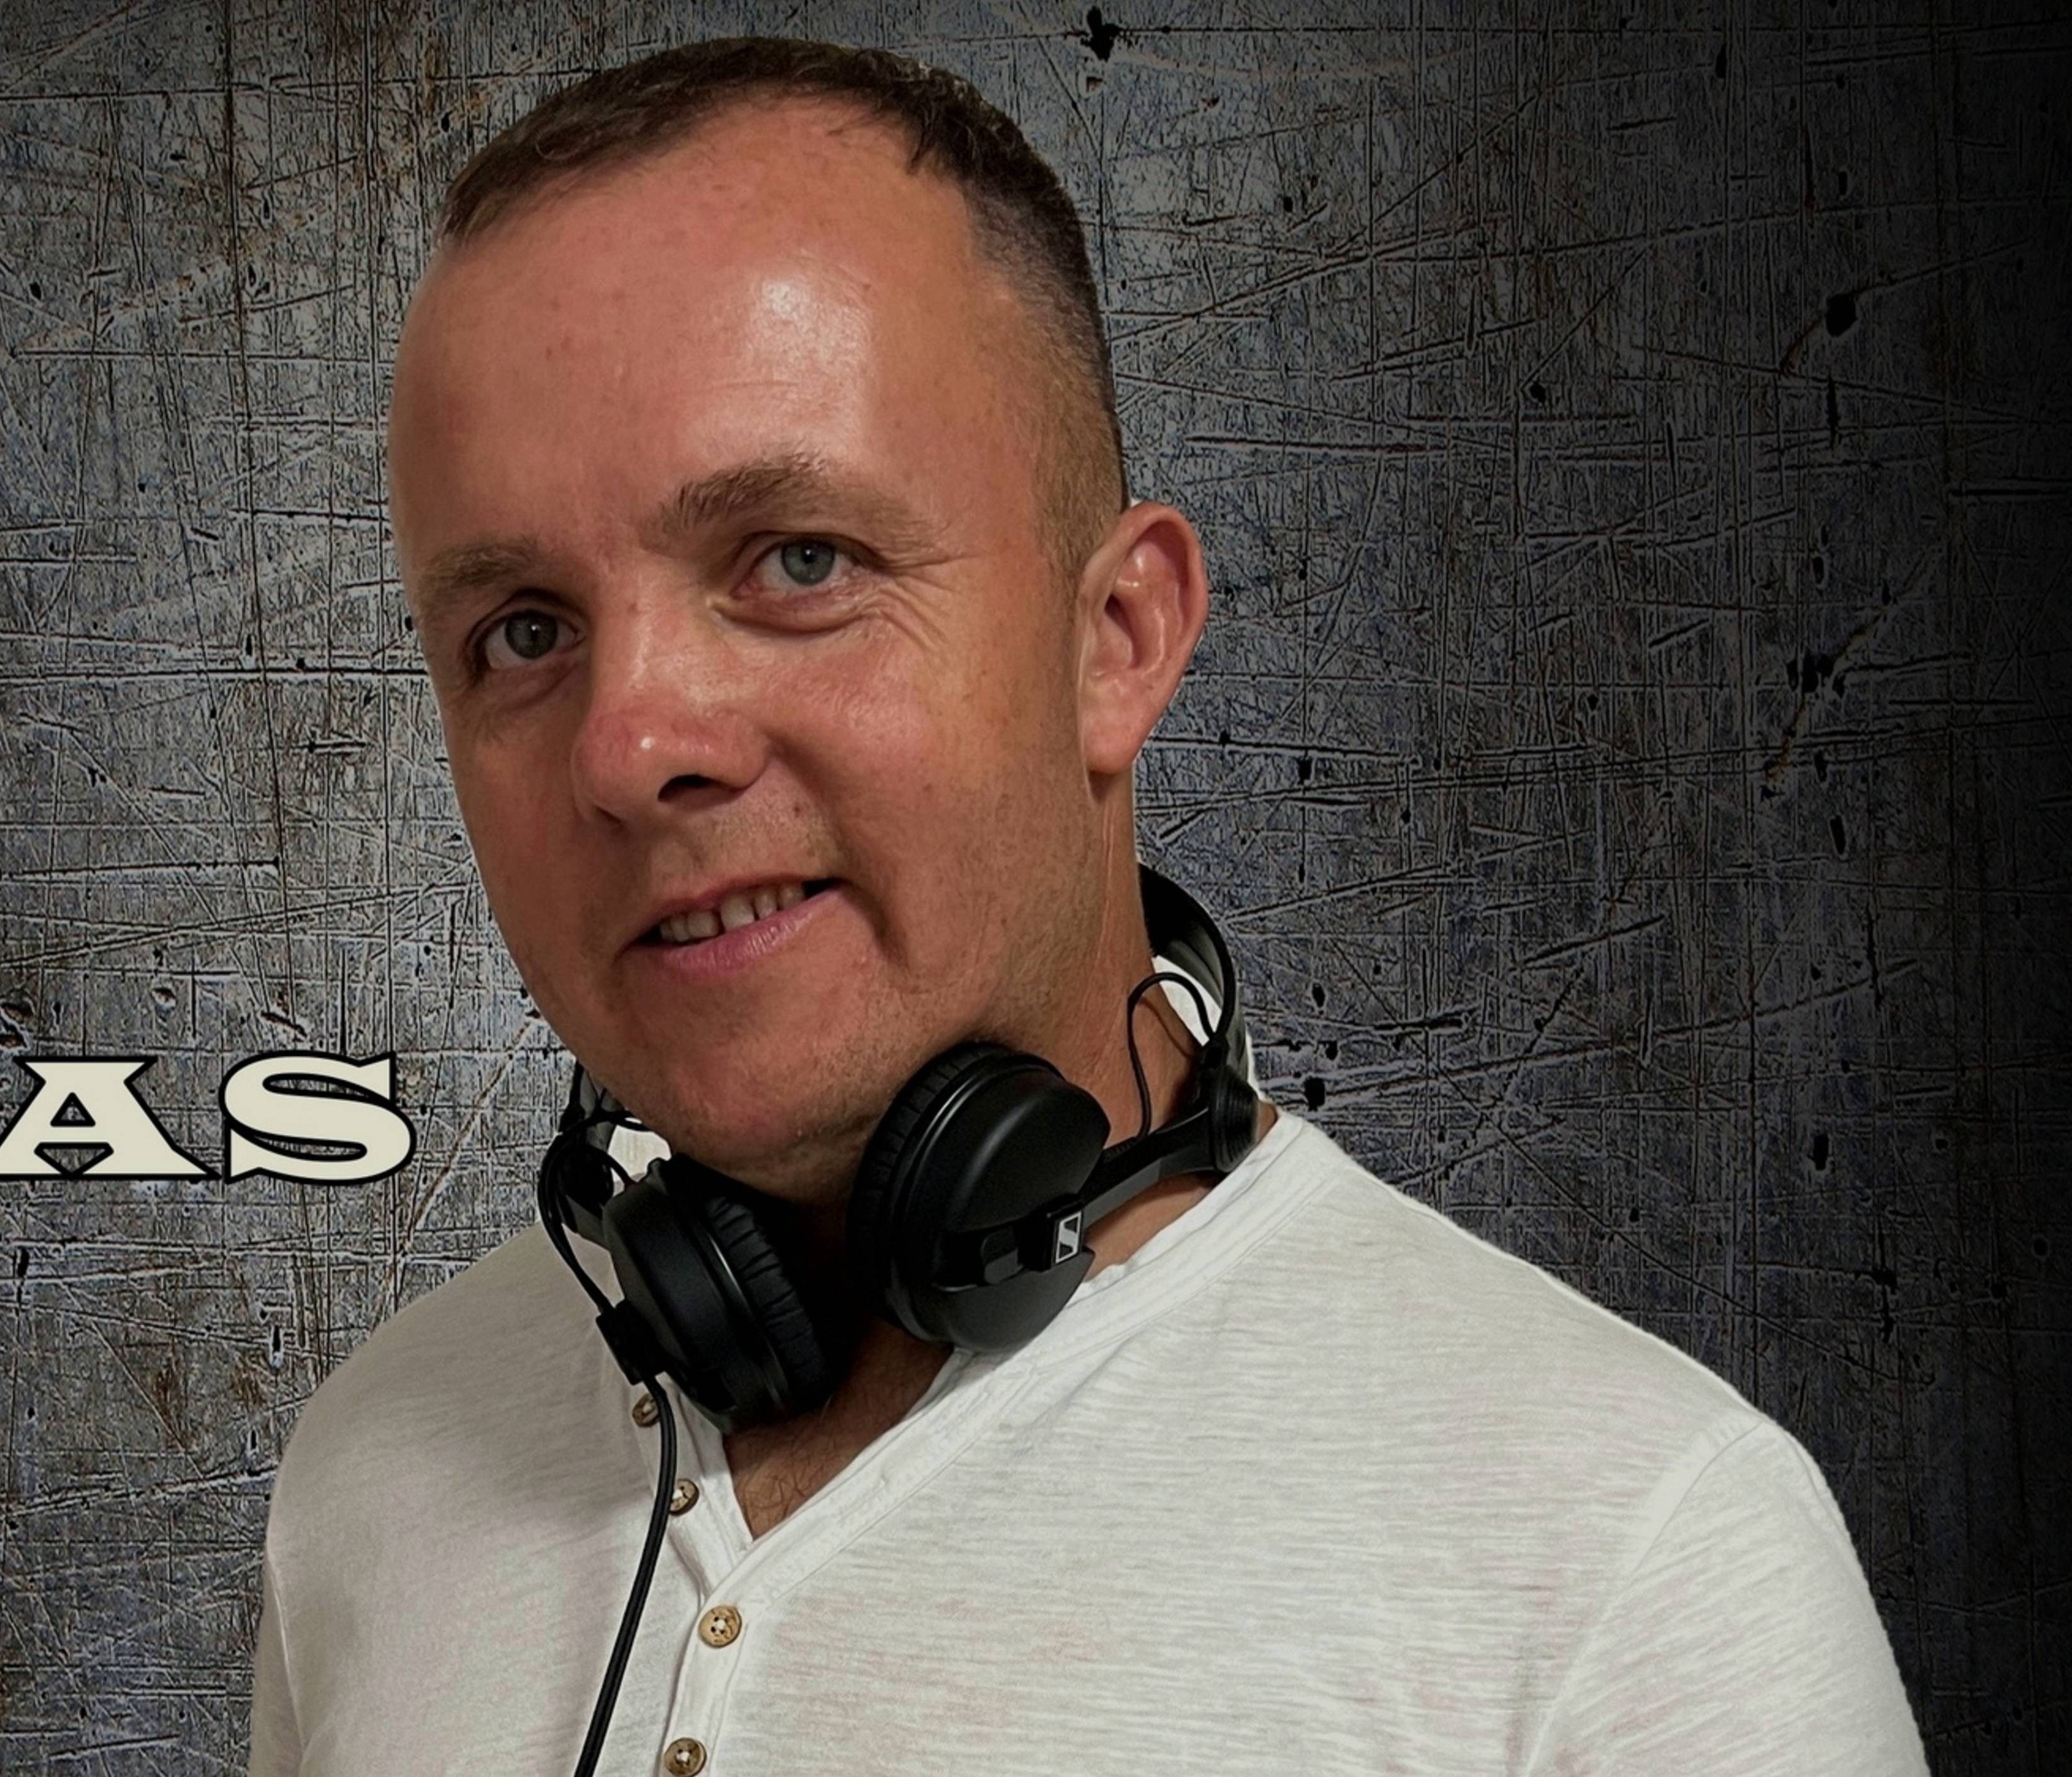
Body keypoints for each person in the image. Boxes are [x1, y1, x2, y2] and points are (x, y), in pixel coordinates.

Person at [247, 38, 1922, 1776]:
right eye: (521, 631)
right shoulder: (370, 1479)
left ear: (1117, 640)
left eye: (800, 562)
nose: (631, 745)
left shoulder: (1632, 1562)